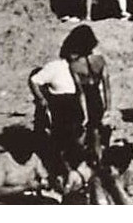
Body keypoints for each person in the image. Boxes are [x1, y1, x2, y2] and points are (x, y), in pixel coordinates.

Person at [30, 27, 96, 179]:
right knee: (61, 143)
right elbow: (34, 80)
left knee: (79, 140)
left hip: (76, 105)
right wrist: (41, 99)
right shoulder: (55, 67)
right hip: (60, 108)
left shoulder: (82, 66)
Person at [0, 126, 59, 204]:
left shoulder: (32, 157)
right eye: (25, 150)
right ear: (16, 148)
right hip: (6, 201)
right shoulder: (1, 162)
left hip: (27, 197)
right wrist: (25, 187)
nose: (28, 155)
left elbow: (44, 176)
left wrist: (49, 182)